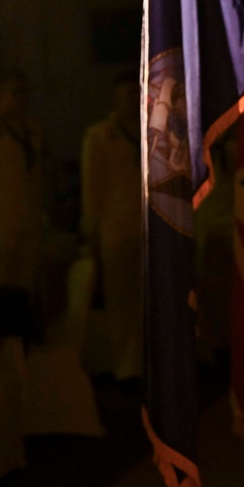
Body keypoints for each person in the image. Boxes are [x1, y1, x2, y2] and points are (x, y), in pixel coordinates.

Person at [79, 70, 143, 381]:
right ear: (117, 97)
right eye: (127, 92)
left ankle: (150, 361)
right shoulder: (99, 135)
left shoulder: (153, 129)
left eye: (136, 91)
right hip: (116, 226)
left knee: (151, 296)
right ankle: (125, 366)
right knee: (120, 298)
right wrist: (91, 229)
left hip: (150, 224)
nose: (133, 97)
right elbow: (92, 185)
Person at [0, 69, 45, 299]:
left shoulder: (32, 128)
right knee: (3, 277)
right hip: (1, 215)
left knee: (27, 279)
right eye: (15, 92)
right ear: (1, 94)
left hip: (29, 214)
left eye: (25, 92)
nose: (21, 98)